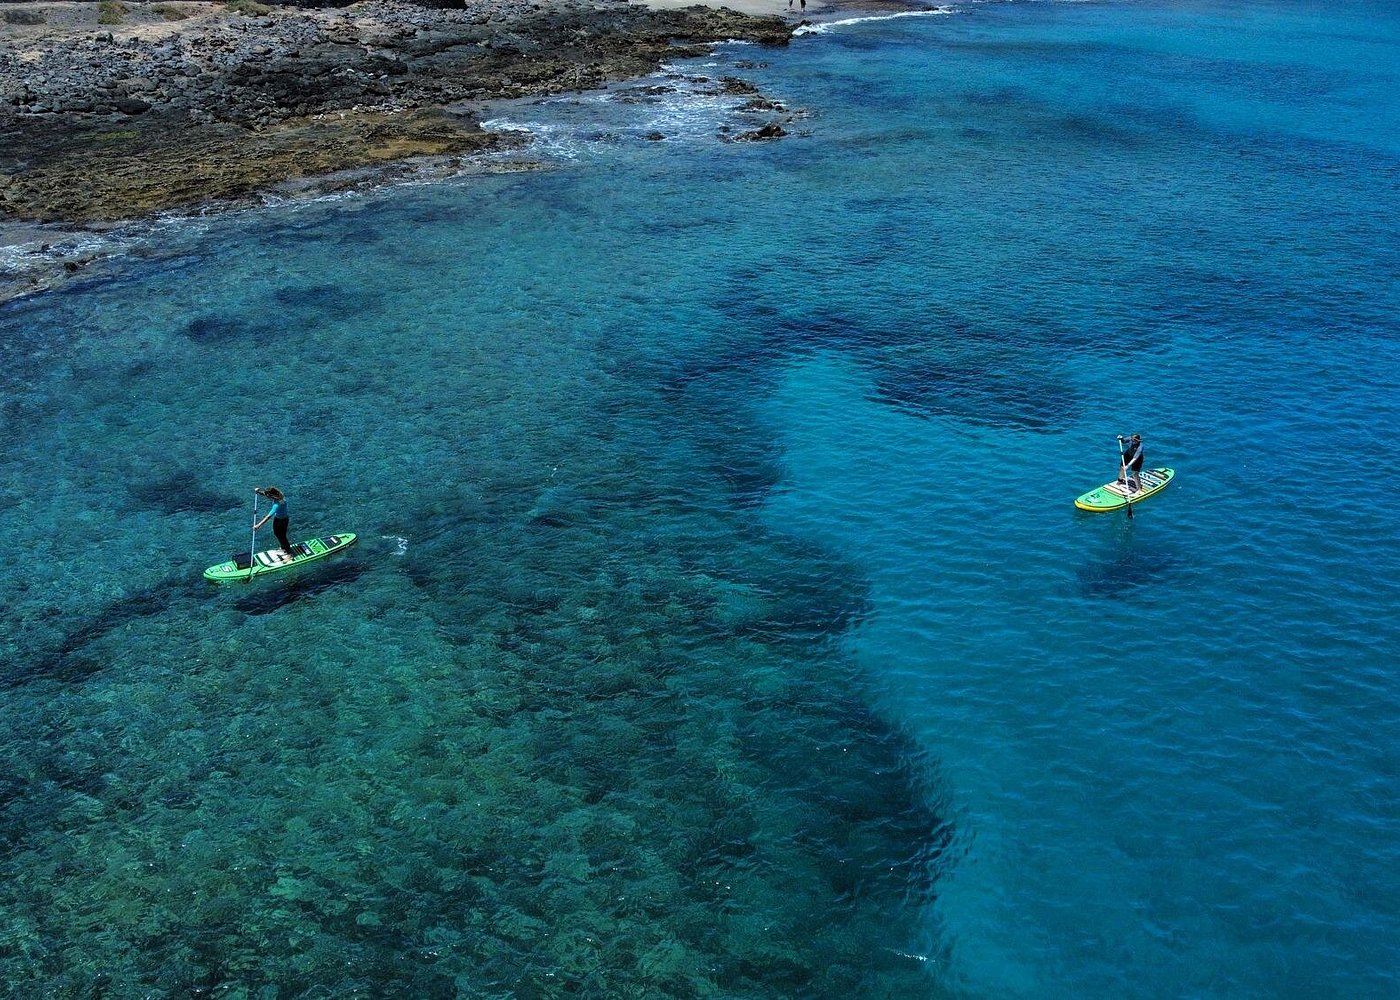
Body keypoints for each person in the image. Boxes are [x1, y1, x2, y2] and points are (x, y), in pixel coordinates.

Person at [253, 486, 297, 558]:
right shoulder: (279, 495)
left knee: (282, 537)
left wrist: (258, 525)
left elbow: (268, 517)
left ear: (272, 495)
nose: (267, 497)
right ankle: (283, 548)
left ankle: (289, 554)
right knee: (276, 533)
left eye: (268, 495)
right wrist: (258, 491)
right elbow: (265, 494)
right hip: (277, 519)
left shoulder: (278, 504)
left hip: (283, 521)